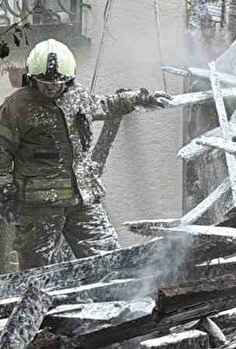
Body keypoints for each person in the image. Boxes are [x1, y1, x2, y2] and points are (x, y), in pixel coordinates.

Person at [0, 39, 171, 270]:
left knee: (107, 257)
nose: (51, 87)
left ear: (69, 79)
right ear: (32, 78)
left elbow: (105, 105)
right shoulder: (17, 106)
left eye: (58, 82)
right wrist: (5, 188)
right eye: (44, 82)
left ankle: (114, 292)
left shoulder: (76, 96)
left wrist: (138, 98)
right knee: (37, 268)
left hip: (82, 197)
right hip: (40, 203)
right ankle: (38, 294)